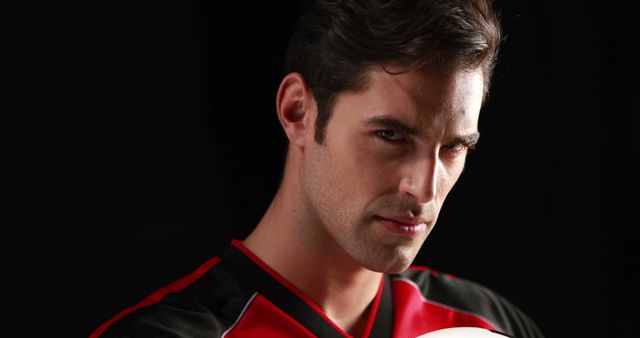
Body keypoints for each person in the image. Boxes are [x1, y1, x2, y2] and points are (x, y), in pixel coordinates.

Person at [92, 0, 543, 337]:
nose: (424, 189)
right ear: (297, 113)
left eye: (453, 147)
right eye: (390, 135)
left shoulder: (490, 325)